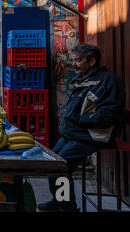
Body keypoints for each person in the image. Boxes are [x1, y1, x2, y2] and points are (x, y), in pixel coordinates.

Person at [37, 43, 125, 212]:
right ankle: (58, 201)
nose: (74, 64)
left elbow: (108, 115)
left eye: (78, 61)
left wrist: (79, 120)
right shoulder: (86, 79)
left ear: (91, 61)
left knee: (60, 167)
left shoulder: (109, 82)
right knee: (49, 162)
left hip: (90, 136)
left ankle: (67, 208)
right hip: (75, 134)